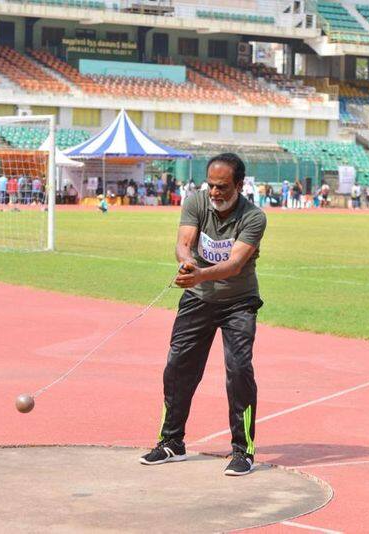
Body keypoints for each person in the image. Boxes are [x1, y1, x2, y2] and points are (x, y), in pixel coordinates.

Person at [139, 153, 267, 477]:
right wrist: (186, 263)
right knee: (177, 367)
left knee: (239, 370)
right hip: (197, 298)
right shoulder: (196, 202)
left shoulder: (253, 217)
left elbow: (235, 265)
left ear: (239, 185)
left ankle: (243, 450)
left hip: (239, 301)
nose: (215, 193)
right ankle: (171, 443)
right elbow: (184, 243)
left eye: (222, 187)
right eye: (210, 185)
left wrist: (200, 274)